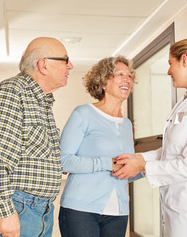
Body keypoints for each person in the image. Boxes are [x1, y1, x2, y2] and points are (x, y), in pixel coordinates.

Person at [113, 38, 187, 237]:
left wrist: (142, 167)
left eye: (170, 64)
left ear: (184, 60)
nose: (168, 71)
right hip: (176, 204)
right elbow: (172, 149)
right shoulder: (186, 101)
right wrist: (140, 158)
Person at [0, 37, 73, 237]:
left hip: (39, 211)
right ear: (43, 65)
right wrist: (5, 212)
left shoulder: (40, 101)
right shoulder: (12, 93)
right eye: (65, 60)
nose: (70, 66)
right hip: (15, 208)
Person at [58, 56, 142, 237]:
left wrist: (145, 166)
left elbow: (122, 171)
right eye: (120, 74)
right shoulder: (83, 113)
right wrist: (107, 163)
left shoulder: (126, 124)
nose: (127, 79)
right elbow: (63, 161)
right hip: (80, 210)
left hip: (118, 213)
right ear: (103, 82)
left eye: (129, 75)